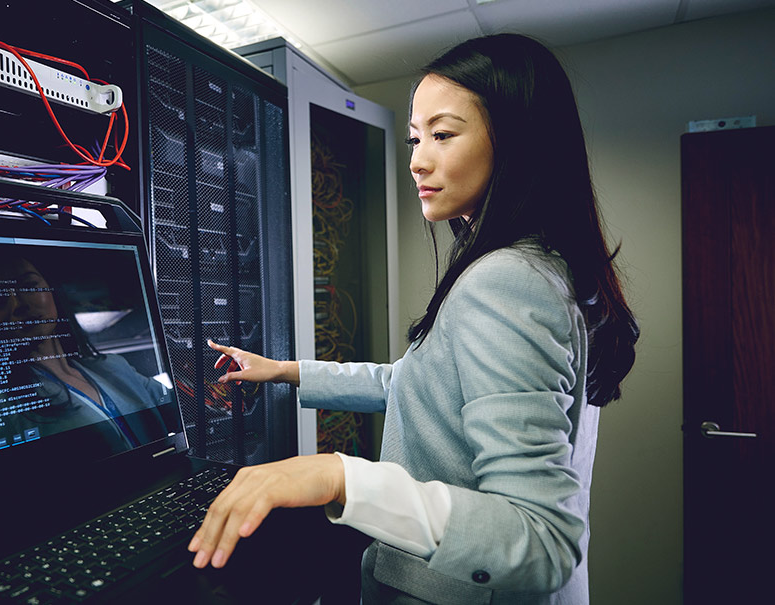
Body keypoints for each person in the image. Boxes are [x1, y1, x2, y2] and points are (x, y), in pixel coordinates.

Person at [188, 33, 639, 604]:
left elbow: (542, 540)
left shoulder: (506, 280)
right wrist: (285, 371)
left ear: (518, 143)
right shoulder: (549, 265)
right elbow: (414, 383)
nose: (416, 160)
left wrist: (339, 477)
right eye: (415, 137)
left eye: (443, 135)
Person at [0, 254, 170, 457]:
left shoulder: (114, 366)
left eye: (29, 285)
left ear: (52, 291)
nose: (19, 304)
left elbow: (179, 411)